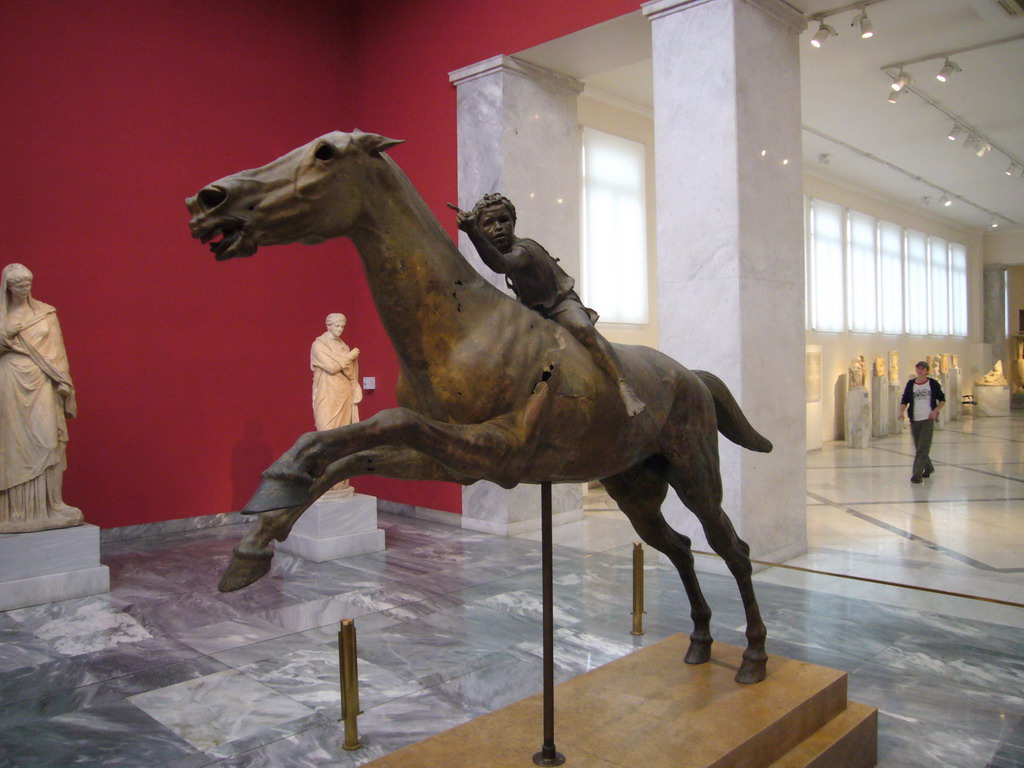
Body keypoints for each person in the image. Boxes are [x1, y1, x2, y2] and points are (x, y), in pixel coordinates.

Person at [454, 193, 646, 416]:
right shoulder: (508, 251)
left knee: (583, 329)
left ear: (513, 222)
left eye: (503, 220)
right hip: (533, 312)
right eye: (488, 224)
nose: (498, 228)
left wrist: (473, 233)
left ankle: (624, 387)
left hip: (559, 305)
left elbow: (501, 264)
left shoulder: (525, 250)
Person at [0, 263, 83, 532]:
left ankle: (52, 504)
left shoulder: (46, 313)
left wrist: (63, 381)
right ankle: (15, 511)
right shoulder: (1, 317)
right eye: (19, 285)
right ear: (8, 287)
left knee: (49, 441)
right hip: (11, 379)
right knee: (13, 446)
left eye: (28, 284)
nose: (25, 289)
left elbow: (58, 350)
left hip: (42, 380)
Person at [311, 313, 362, 494]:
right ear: (328, 325)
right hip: (327, 392)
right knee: (325, 433)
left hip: (343, 392)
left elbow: (348, 372)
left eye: (342, 326)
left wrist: (347, 358)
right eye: (337, 326)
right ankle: (325, 481)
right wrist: (350, 356)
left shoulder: (344, 346)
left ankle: (339, 482)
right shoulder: (318, 345)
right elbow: (332, 367)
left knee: (342, 438)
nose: (340, 330)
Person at [898, 361, 945, 484]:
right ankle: (929, 467)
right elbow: (904, 400)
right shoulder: (911, 384)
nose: (920, 370)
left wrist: (936, 411)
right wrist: (901, 413)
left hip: (927, 419)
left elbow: (942, 400)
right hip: (915, 419)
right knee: (919, 447)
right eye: (918, 368)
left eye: (922, 368)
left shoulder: (932, 384)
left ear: (926, 371)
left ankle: (916, 475)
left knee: (923, 447)